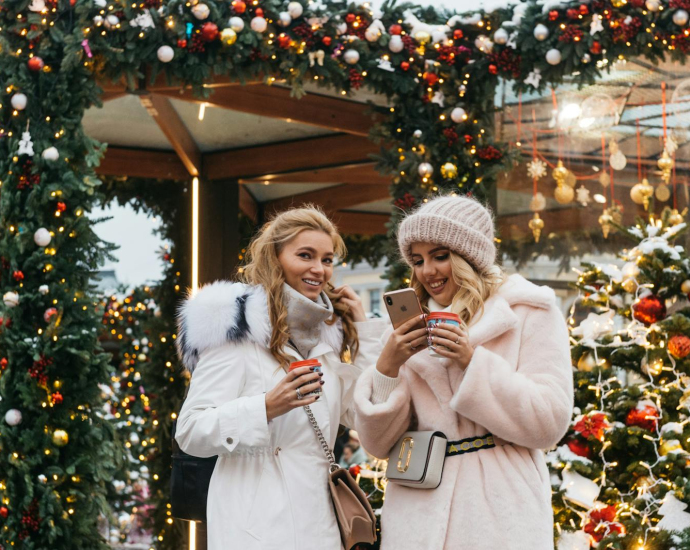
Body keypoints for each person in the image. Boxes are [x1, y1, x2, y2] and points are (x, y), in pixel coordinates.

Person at [353, 195, 574, 550]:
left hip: (500, 513)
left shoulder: (529, 311)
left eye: (440, 255)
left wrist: (472, 362)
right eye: (418, 259)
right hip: (417, 513)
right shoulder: (404, 331)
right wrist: (388, 366)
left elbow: (549, 421)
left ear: (469, 256)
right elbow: (377, 444)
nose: (428, 271)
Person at [174, 206, 381, 550]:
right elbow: (190, 431)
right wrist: (265, 408)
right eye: (305, 255)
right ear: (275, 258)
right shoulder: (237, 335)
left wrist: (364, 329)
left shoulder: (324, 343)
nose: (319, 269)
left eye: (327, 259)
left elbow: (366, 415)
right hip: (256, 530)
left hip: (320, 527)